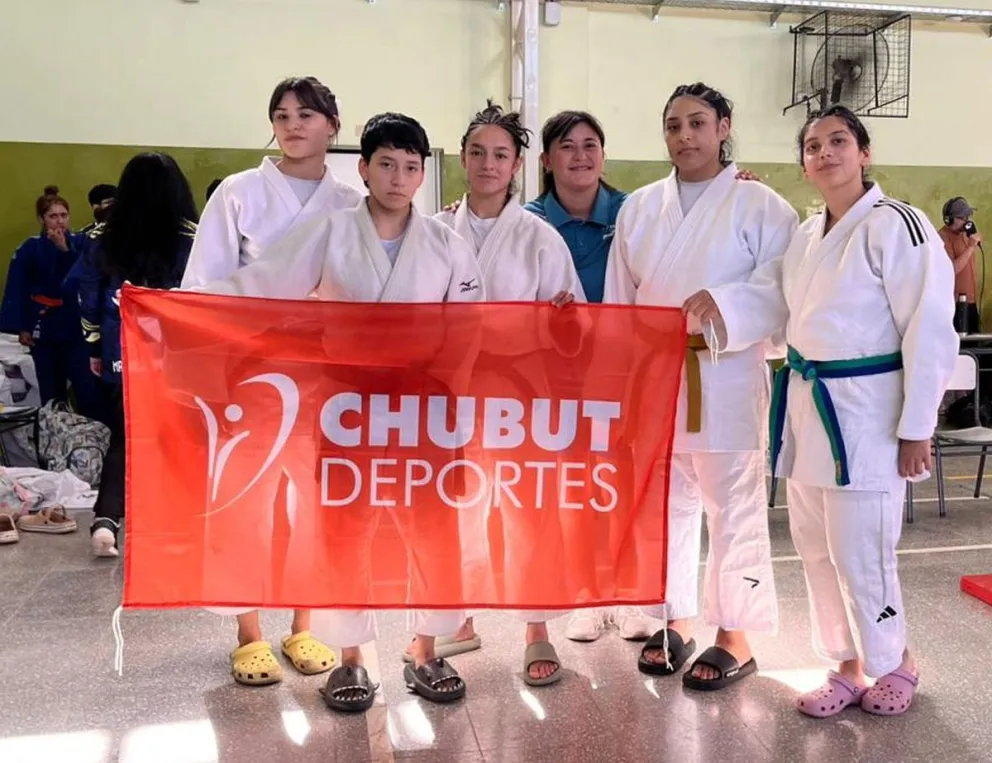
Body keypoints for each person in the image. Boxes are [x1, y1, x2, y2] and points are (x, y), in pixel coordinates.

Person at [193, 112, 485, 712]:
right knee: (344, 531)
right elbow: (262, 284)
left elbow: (472, 330)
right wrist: (178, 307)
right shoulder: (329, 232)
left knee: (431, 530)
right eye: (386, 163)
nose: (398, 178)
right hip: (345, 407)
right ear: (364, 168)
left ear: (424, 174)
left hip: (423, 409)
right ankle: (351, 660)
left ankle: (426, 650)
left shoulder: (447, 244)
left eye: (410, 166)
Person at [692, 104, 957, 717]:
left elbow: (930, 330)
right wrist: (725, 307)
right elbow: (778, 305)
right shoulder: (807, 235)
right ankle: (844, 663)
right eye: (813, 146)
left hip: (868, 413)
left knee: (862, 548)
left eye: (839, 141)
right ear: (805, 165)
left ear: (864, 153)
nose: (826, 153)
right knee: (814, 546)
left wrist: (918, 427)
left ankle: (897, 661)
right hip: (809, 411)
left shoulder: (900, 225)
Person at [604, 82, 798, 691]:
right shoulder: (639, 206)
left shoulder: (764, 206)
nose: (684, 136)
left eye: (696, 123)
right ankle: (673, 621)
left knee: (734, 507)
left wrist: (729, 303)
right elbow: (621, 297)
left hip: (724, 374)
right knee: (666, 506)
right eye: (672, 125)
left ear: (723, 126)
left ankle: (734, 637)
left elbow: (783, 289)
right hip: (656, 376)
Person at [180, 76, 362, 690]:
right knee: (245, 500)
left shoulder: (353, 199)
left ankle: (303, 623)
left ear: (333, 125)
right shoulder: (238, 194)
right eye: (281, 115)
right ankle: (248, 632)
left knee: (316, 504)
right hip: (250, 372)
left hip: (328, 376)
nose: (292, 125)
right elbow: (205, 283)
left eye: (307, 115)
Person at [427, 101, 583, 686]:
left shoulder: (539, 237)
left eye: (500, 154)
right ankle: (457, 617)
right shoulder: (437, 230)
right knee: (451, 508)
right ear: (462, 159)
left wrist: (566, 319)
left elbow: (577, 325)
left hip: (521, 395)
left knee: (527, 513)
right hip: (453, 394)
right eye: (477, 153)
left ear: (517, 164)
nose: (488, 164)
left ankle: (536, 629)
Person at [77, 153, 198, 557]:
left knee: (126, 436)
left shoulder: (101, 237)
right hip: (177, 356)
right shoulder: (190, 238)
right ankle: (175, 523)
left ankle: (106, 521)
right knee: (177, 437)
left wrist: (95, 349)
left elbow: (88, 300)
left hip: (122, 352)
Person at [0, 187, 100, 414]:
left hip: (76, 324)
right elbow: (18, 288)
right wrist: (22, 327)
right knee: (50, 389)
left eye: (63, 215)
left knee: (86, 386)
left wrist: (64, 249)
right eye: (52, 216)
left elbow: (85, 278)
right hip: (44, 324)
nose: (59, 221)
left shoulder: (83, 243)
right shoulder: (30, 248)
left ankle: (93, 436)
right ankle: (54, 435)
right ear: (42, 219)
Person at [939, 196, 982, 333]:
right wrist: (970, 248)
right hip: (956, 304)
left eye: (967, 217)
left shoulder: (965, 235)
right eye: (962, 218)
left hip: (970, 302)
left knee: (975, 347)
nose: (966, 221)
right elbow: (951, 270)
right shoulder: (943, 237)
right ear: (949, 219)